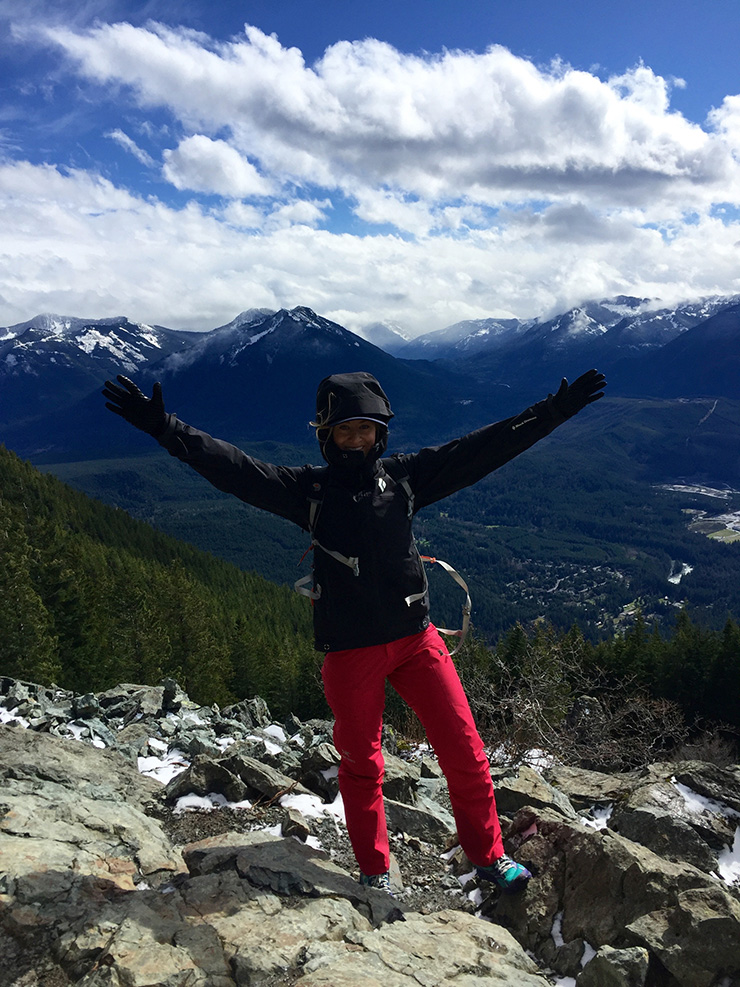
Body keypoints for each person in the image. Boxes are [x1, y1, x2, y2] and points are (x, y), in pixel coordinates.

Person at [102, 367, 606, 895]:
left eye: (367, 428)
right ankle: (375, 871)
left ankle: (488, 857)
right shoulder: (308, 491)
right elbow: (233, 468)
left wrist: (552, 413)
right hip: (350, 652)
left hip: (416, 639)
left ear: (380, 433)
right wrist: (164, 428)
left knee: (467, 752)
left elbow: (480, 450)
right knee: (364, 766)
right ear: (326, 435)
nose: (358, 439)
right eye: (346, 429)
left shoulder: (406, 478)